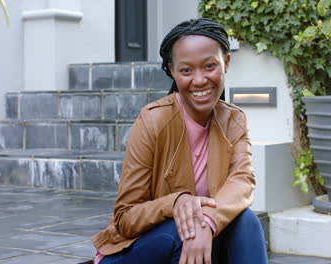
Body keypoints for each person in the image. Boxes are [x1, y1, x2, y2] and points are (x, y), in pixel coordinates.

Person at [91, 18, 268, 264]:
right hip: (137, 250)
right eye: (186, 70)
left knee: (246, 221)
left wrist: (206, 221)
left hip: (193, 244)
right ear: (172, 71)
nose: (199, 80)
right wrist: (176, 203)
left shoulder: (234, 120)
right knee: (181, 230)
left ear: (226, 63)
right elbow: (125, 218)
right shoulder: (153, 120)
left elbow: (242, 181)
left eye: (209, 66)